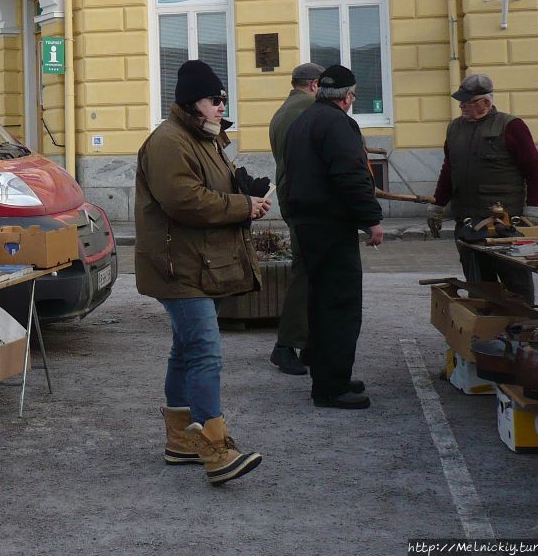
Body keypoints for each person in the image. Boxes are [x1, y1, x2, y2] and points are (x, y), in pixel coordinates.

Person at [134, 59, 269, 486]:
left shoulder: (204, 137)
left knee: (186, 348)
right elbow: (184, 201)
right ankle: (216, 447)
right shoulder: (169, 142)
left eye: (222, 99)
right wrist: (242, 206)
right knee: (205, 350)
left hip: (193, 264)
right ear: (193, 103)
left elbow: (209, 187)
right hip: (178, 267)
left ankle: (180, 441)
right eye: (215, 99)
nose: (220, 106)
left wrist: (245, 192)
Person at [281, 64, 383, 410]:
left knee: (320, 304)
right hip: (330, 227)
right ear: (348, 97)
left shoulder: (304, 121)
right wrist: (372, 220)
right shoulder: (340, 124)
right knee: (340, 307)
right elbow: (351, 175)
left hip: (307, 224)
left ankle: (328, 375)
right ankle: (332, 387)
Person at [428, 73, 538, 304]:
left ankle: (522, 329)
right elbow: (448, 170)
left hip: (507, 225)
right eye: (461, 100)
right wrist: (437, 206)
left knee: (516, 283)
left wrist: (535, 209)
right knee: (479, 286)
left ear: (485, 102)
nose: (461, 105)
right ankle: (488, 331)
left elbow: (534, 170)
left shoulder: (512, 126)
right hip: (469, 224)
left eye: (467, 101)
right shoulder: (454, 128)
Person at [266, 61, 324, 376]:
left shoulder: (285, 110)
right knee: (305, 271)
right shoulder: (306, 112)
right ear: (315, 84)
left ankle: (303, 342)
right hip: (304, 200)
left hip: (294, 197)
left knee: (308, 269)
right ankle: (286, 345)